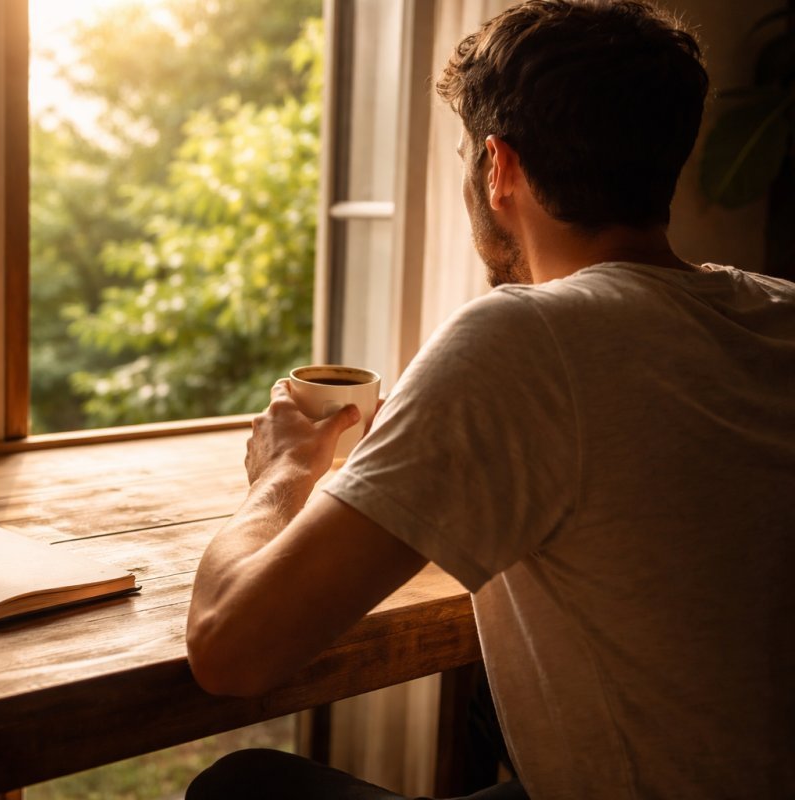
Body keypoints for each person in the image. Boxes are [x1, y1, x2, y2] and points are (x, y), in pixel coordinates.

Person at [184, 1, 795, 798]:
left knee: (240, 787)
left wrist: (282, 472)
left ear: (498, 167)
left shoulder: (527, 339)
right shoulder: (779, 308)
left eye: (470, 155)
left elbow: (231, 650)